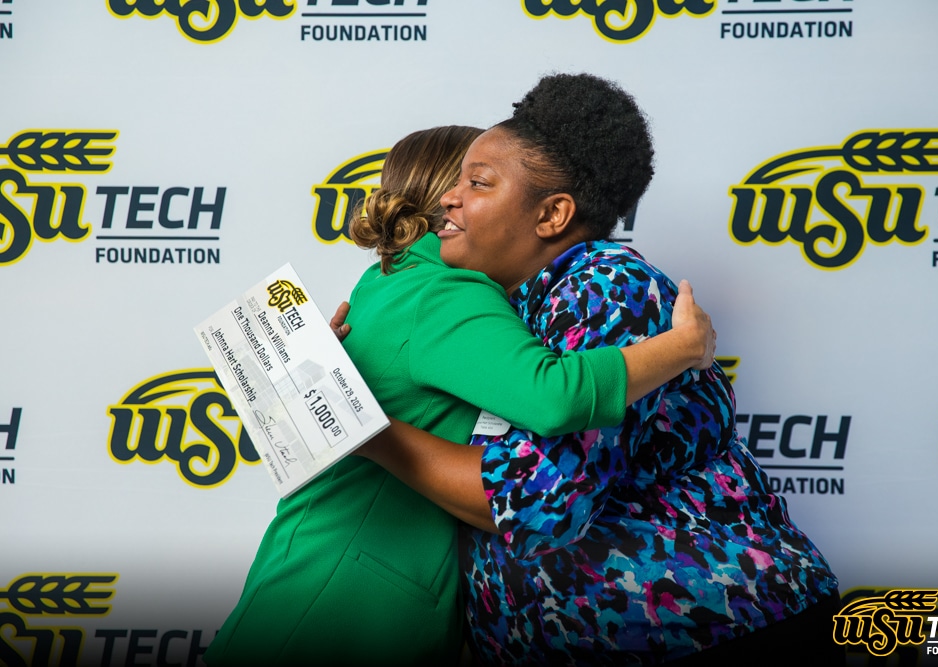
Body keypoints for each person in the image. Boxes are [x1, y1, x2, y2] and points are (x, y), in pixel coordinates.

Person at [355, 74, 843, 666]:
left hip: (719, 628)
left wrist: (356, 426)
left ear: (553, 213)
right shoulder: (499, 308)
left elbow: (536, 501)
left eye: (477, 183)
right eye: (455, 181)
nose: (449, 199)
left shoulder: (608, 287)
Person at [204, 125, 716, 667]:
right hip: (348, 602)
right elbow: (553, 394)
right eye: (472, 179)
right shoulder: (447, 291)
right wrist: (682, 347)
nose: (465, 197)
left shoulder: (385, 278)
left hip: (309, 571)